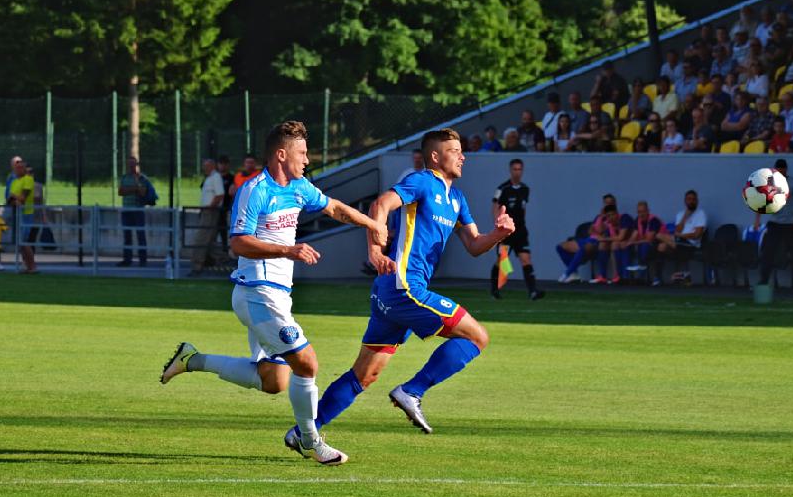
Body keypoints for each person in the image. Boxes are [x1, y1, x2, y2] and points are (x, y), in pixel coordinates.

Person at [160, 121, 388, 466]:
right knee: (307, 363)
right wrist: (288, 250)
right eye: (302, 153)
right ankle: (309, 440)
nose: (307, 160)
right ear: (282, 154)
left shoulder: (299, 187)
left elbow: (334, 208)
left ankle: (193, 359)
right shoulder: (254, 190)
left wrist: (371, 224)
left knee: (274, 381)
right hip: (258, 292)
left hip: (276, 295)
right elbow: (238, 243)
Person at [284, 127, 514, 448]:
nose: (462, 156)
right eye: (454, 151)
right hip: (404, 286)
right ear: (435, 156)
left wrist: (499, 234)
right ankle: (412, 391)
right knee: (477, 337)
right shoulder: (423, 181)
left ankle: (303, 432)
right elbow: (380, 205)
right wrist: (375, 251)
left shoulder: (457, 199)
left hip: (391, 292)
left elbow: (475, 245)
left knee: (364, 375)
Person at [754, 159, 793, 292]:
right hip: (774, 223)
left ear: (786, 170)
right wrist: (757, 219)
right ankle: (763, 281)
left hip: (790, 224)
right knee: (767, 252)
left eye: (782, 170)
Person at [489, 159, 543, 301]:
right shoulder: (503, 189)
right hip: (506, 232)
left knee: (526, 259)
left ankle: (533, 291)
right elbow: (495, 207)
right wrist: (498, 225)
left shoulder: (525, 189)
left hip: (520, 231)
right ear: (510, 170)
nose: (517, 172)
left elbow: (523, 209)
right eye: (515, 169)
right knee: (502, 261)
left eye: (519, 169)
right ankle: (494, 289)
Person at [556, 204, 622, 284]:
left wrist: (602, 236)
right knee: (560, 247)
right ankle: (574, 274)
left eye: (611, 215)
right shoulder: (599, 218)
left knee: (583, 248)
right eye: (607, 214)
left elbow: (612, 236)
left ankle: (567, 273)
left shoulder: (613, 223)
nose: (609, 217)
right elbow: (591, 231)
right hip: (589, 239)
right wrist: (600, 219)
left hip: (597, 242)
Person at [652, 190, 707, 286]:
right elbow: (678, 230)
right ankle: (658, 278)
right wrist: (685, 216)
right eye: (689, 199)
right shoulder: (680, 214)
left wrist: (681, 235)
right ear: (685, 201)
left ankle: (682, 275)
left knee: (659, 237)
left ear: (697, 201)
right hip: (678, 242)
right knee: (661, 246)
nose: (691, 201)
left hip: (691, 245)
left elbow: (697, 235)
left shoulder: (701, 214)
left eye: (693, 199)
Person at [189, 159, 225, 276]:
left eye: (206, 166)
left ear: (212, 166)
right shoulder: (209, 178)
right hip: (207, 210)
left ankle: (197, 265)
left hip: (210, 211)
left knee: (201, 238)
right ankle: (218, 260)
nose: (204, 168)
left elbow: (219, 195)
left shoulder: (216, 177)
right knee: (210, 239)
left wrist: (210, 207)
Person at [116, 156, 154, 267]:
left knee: (140, 235)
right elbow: (120, 192)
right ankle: (127, 260)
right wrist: (135, 188)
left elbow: (142, 192)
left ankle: (143, 260)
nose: (131, 166)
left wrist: (132, 187)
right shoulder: (124, 178)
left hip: (138, 210)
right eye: (129, 164)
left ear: (137, 165)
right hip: (126, 210)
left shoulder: (142, 178)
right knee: (127, 235)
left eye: (133, 164)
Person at [7, 158, 37, 273]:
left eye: (21, 168)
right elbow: (10, 200)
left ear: (24, 169)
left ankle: (32, 266)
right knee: (20, 242)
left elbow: (23, 198)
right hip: (17, 214)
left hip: (27, 214)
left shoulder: (28, 179)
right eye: (16, 168)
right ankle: (27, 266)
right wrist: (15, 199)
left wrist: (15, 197)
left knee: (25, 241)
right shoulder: (14, 182)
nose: (18, 170)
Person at [618, 201, 663, 275]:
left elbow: (649, 240)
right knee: (625, 245)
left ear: (648, 211)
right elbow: (634, 235)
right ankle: (625, 275)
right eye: (639, 212)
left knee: (644, 246)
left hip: (657, 245)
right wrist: (628, 243)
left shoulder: (653, 220)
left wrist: (634, 242)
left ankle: (641, 274)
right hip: (643, 243)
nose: (641, 214)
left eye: (643, 211)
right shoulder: (637, 220)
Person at [216, 155, 234, 251]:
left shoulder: (232, 178)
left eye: (225, 163)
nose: (223, 166)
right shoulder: (214, 177)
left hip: (227, 208)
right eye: (221, 163)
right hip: (214, 208)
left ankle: (226, 250)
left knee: (225, 229)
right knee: (214, 230)